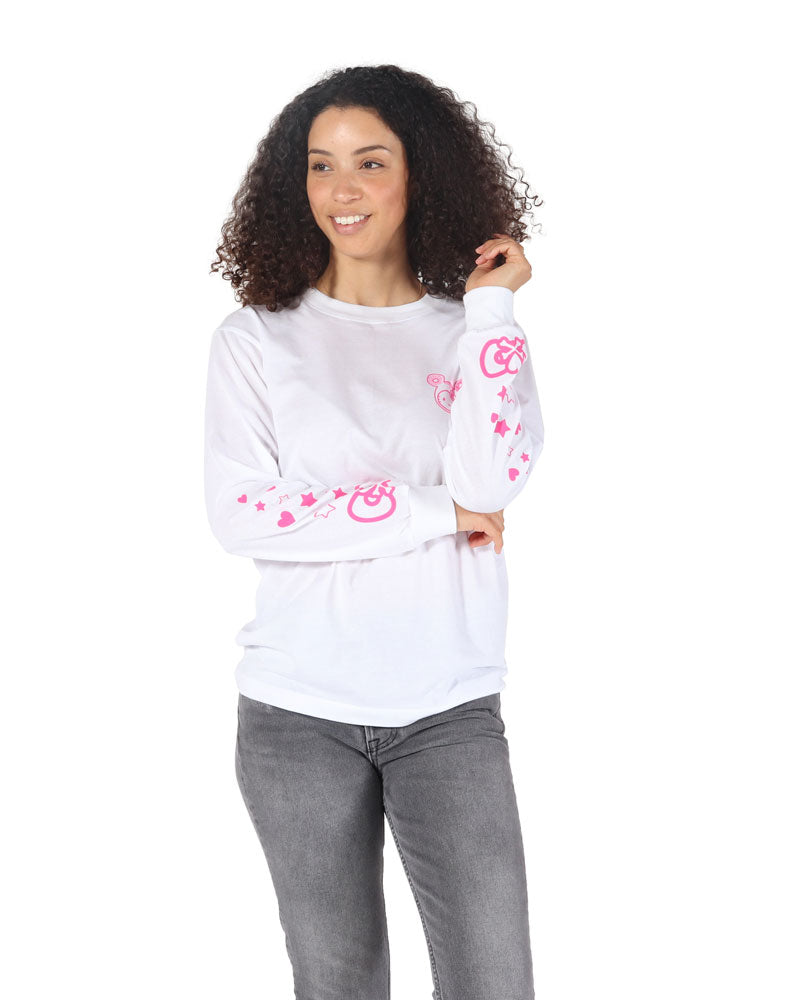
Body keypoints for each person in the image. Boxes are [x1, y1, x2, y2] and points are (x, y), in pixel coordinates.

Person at [204, 64, 545, 1000]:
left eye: (370, 161)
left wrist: (492, 307)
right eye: (320, 165)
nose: (341, 189)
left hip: (449, 706)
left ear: (418, 174)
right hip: (295, 714)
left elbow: (494, 478)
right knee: (338, 984)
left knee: (494, 982)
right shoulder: (256, 340)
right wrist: (435, 512)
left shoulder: (472, 332)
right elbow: (244, 514)